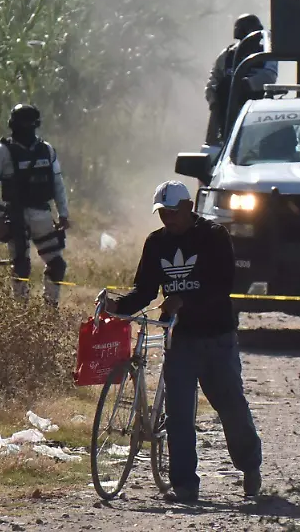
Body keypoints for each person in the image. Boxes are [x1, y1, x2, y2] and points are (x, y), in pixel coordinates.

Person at [102, 181, 262, 503]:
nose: (168, 219)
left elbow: (223, 284)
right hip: (180, 339)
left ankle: (249, 466)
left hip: (217, 337)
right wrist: (117, 306)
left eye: (173, 212)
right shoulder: (156, 243)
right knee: (178, 415)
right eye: (162, 213)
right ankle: (185, 485)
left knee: (229, 406)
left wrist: (182, 300)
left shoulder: (213, 236)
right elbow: (145, 290)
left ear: (189, 207)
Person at [0, 103, 71, 308]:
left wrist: (64, 213)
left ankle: (50, 309)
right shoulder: (2, 151)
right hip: (16, 215)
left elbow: (57, 183)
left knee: (57, 264)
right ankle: (21, 313)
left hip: (42, 213)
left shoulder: (47, 150)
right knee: (21, 266)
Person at [205, 14, 278, 144]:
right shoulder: (227, 54)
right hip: (228, 111)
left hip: (256, 109)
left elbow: (269, 76)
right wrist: (213, 98)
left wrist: (245, 84)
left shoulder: (265, 53)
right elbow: (214, 79)